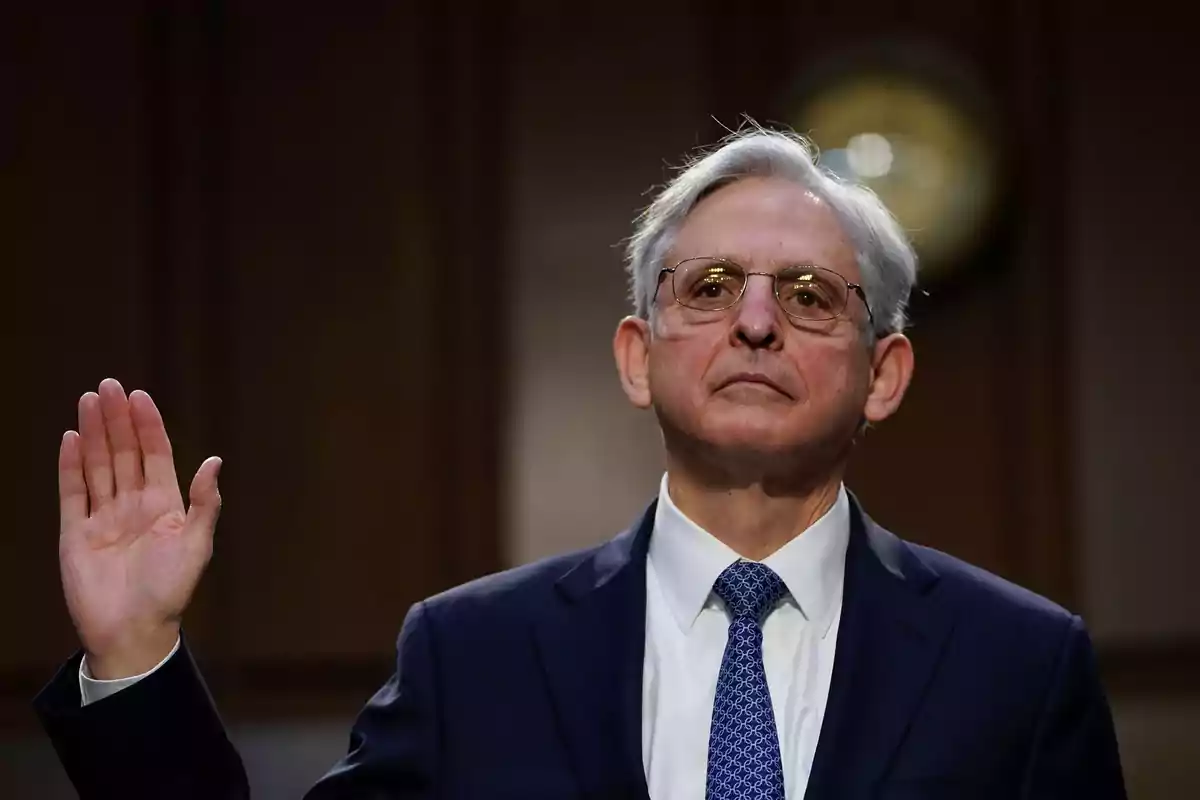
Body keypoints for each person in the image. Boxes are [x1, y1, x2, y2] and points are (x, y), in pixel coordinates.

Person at [35, 129, 1127, 799]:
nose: (754, 322)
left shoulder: (1019, 665)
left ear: (883, 373)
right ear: (637, 358)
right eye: (708, 287)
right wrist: (136, 657)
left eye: (806, 295)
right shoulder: (474, 655)